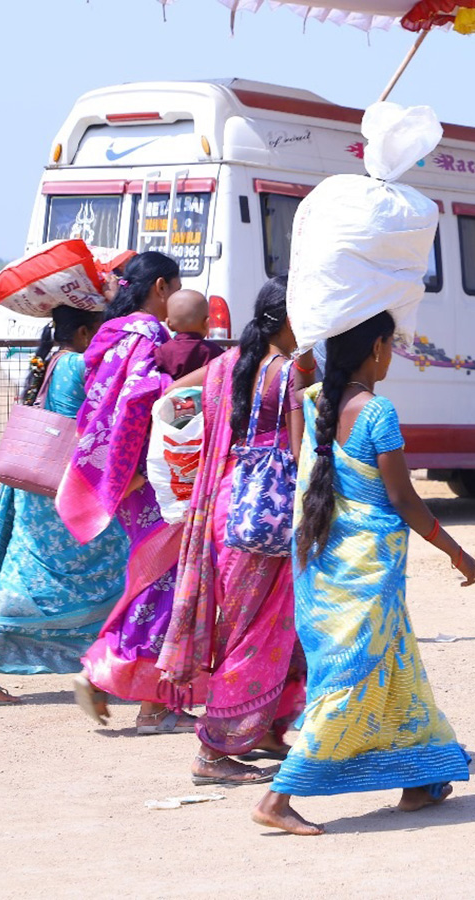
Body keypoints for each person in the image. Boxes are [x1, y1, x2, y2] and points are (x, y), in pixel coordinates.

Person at [252, 311, 475, 836]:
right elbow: (403, 498)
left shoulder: (314, 402)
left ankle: (422, 779)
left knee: (398, 670)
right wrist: (455, 550)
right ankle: (277, 797)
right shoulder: (378, 412)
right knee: (350, 681)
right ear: (377, 349)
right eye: (391, 345)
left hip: (326, 567)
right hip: (366, 572)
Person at [158, 278, 309, 785]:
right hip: (266, 515)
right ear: (291, 319)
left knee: (255, 624)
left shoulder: (225, 364)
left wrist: (195, 448)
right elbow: (299, 453)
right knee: (258, 632)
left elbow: (175, 395)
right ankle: (214, 750)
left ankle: (266, 728)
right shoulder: (287, 373)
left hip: (225, 503)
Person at [57, 250, 204, 734]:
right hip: (153, 478)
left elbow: (103, 404)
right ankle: (128, 686)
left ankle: (143, 695)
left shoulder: (109, 335)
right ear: (161, 287)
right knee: (168, 586)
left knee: (153, 581)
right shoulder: (150, 337)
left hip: (123, 477)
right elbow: (152, 401)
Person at [0, 306, 129, 705]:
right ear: (86, 332)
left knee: (25, 568)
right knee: (113, 562)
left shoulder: (46, 361)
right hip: (66, 487)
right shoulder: (77, 365)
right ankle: (105, 663)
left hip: (34, 488)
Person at [155, 289, 224, 380]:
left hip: (172, 393)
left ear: (169, 324)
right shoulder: (213, 351)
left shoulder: (162, 351)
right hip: (205, 394)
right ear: (207, 323)